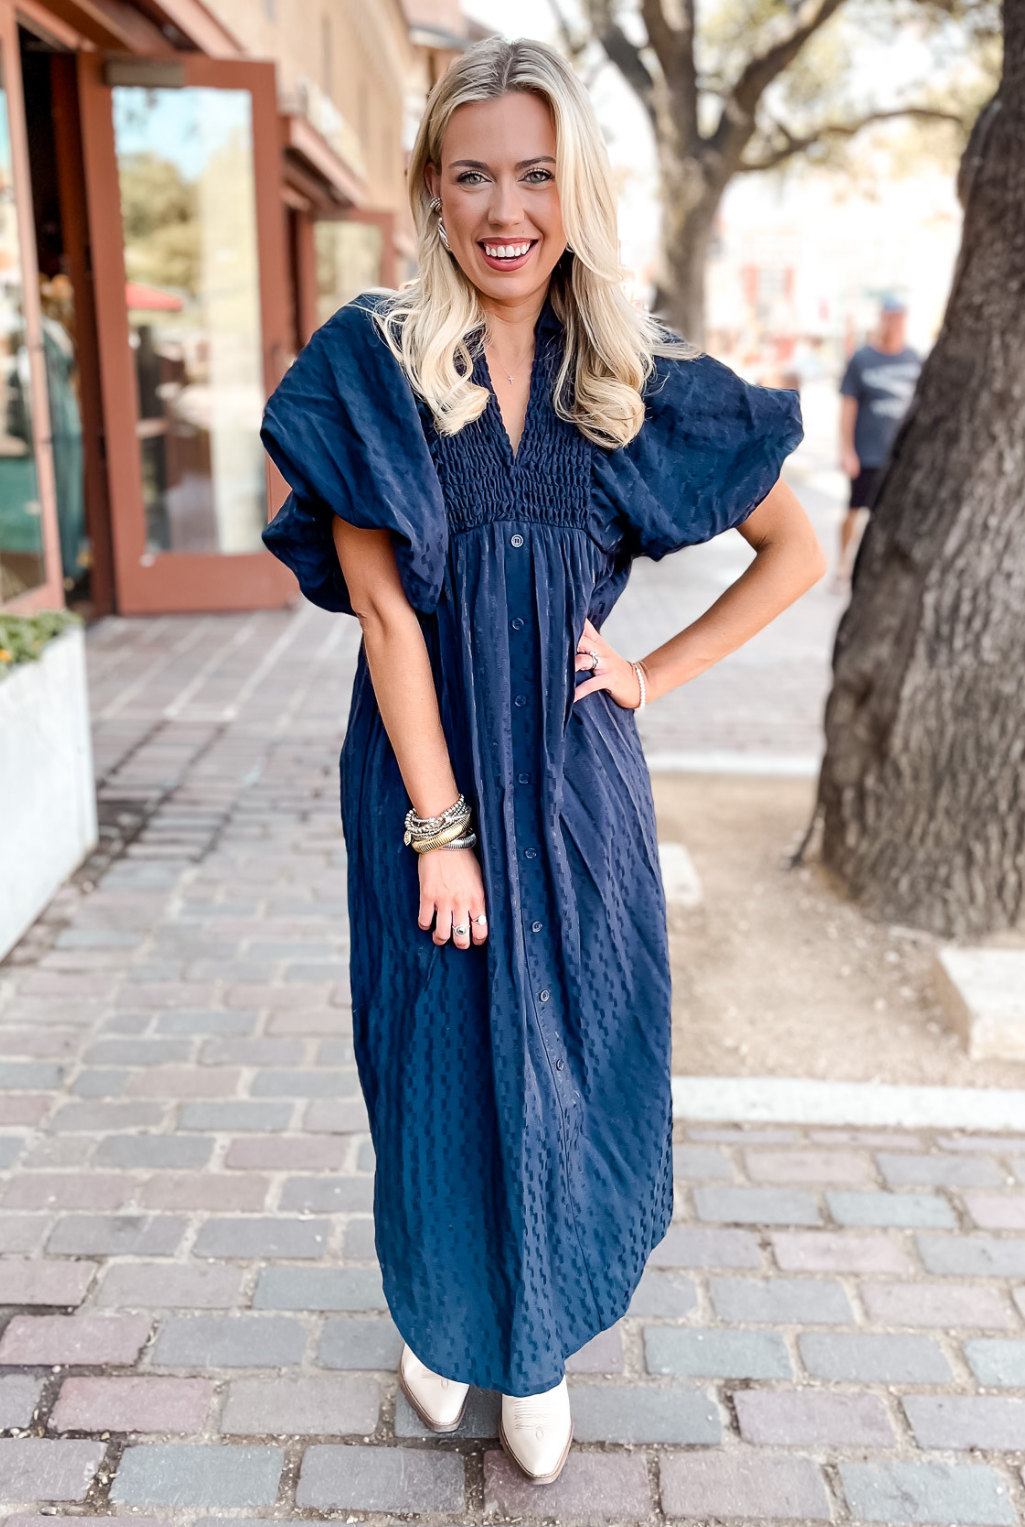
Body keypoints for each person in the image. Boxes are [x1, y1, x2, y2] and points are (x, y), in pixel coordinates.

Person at [259, 36, 825, 1486]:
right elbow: (385, 606)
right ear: (430, 193)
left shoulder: (634, 378)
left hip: (576, 788)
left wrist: (649, 671)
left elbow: (793, 549)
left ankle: (540, 1341)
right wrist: (438, 826)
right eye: (471, 176)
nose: (505, 208)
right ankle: (448, 1317)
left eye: (533, 172)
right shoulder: (377, 365)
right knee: (433, 1044)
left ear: (572, 185)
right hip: (419, 779)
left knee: (574, 1053)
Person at [835, 296, 921, 588]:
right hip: (866, 452)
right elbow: (848, 406)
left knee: (889, 517)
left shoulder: (914, 360)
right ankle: (842, 566)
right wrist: (846, 450)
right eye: (889, 316)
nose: (893, 322)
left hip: (900, 456)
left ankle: (871, 574)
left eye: (899, 316)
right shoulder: (862, 359)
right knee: (854, 512)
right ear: (881, 318)